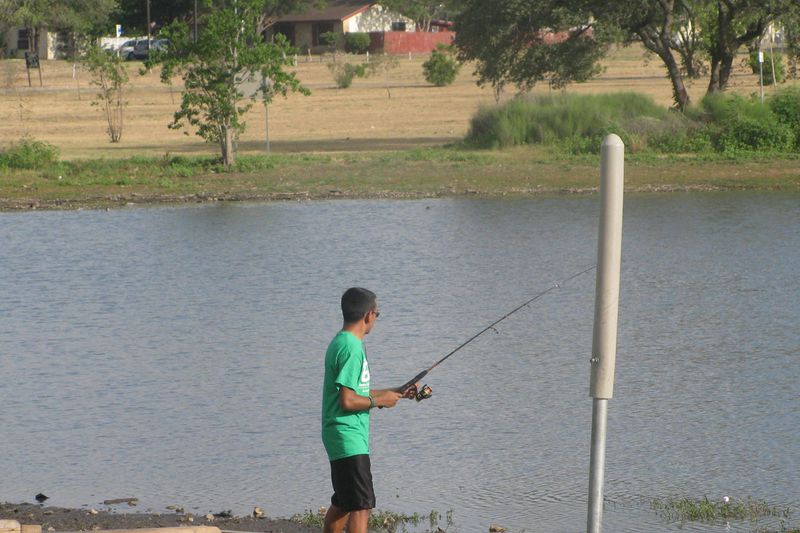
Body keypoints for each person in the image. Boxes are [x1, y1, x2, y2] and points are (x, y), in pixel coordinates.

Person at [321, 287, 416, 533]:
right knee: (362, 506)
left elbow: (356, 392)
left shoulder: (342, 341)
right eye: (377, 313)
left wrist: (395, 392)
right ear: (368, 315)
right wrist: (378, 402)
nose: (376, 318)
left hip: (340, 435)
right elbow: (348, 401)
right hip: (348, 436)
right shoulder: (352, 348)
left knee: (343, 502)